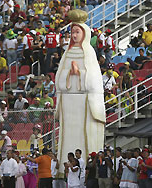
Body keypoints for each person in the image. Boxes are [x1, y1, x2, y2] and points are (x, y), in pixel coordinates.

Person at [55, 9, 106, 177]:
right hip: (69, 103)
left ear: (84, 33)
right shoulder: (67, 53)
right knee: (67, 135)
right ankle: (63, 169)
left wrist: (79, 73)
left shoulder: (89, 53)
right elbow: (59, 80)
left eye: (77, 32)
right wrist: (69, 74)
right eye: (72, 32)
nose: (74, 35)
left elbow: (94, 81)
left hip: (84, 102)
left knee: (85, 135)